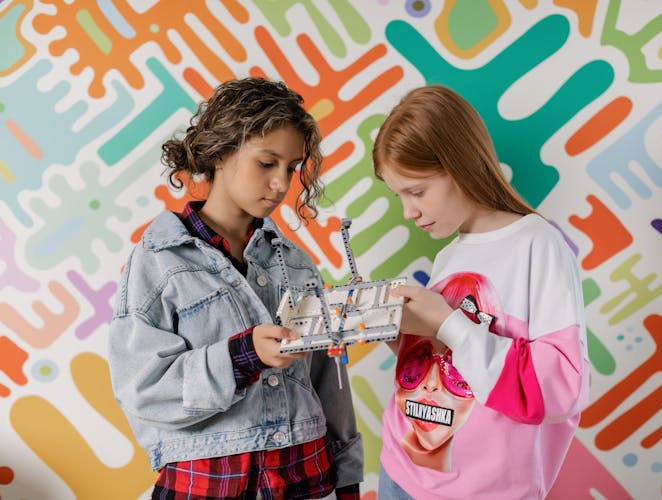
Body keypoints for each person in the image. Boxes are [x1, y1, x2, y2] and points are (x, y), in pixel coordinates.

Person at [108, 77, 363, 500]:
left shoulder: (297, 264)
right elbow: (142, 390)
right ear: (222, 151)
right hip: (206, 485)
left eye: (292, 168)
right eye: (267, 163)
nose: (281, 184)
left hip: (306, 479)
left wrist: (349, 479)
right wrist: (242, 355)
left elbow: (329, 383)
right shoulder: (157, 262)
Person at [373, 85, 589, 499]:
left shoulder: (537, 246)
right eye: (398, 195)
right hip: (401, 471)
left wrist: (449, 324)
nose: (408, 211)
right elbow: (442, 365)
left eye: (417, 192)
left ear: (462, 166)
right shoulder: (449, 256)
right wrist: (396, 333)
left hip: (486, 490)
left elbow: (560, 388)